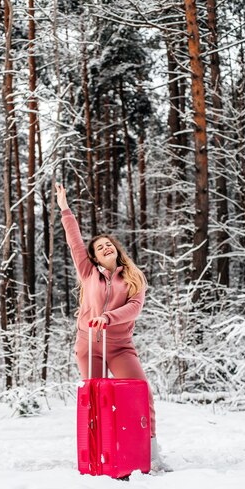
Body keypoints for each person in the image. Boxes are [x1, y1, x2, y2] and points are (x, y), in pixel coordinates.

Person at [56, 183, 170, 473]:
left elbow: (135, 308)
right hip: (88, 344)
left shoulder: (134, 277)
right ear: (94, 256)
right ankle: (98, 453)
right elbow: (74, 240)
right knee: (96, 400)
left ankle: (151, 453)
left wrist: (109, 318)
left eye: (108, 244)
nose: (105, 246)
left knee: (141, 393)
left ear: (116, 250)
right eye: (99, 247)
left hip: (120, 345)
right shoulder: (88, 272)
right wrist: (64, 208)